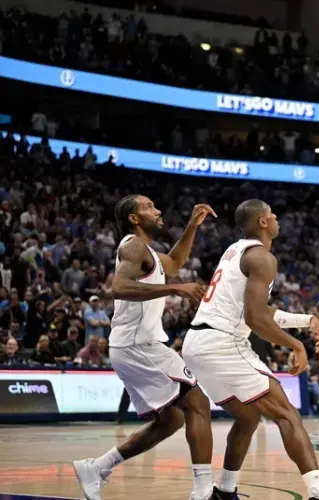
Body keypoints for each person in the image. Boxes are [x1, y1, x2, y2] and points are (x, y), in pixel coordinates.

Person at [182, 199, 319, 500]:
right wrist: (296, 345)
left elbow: (256, 310)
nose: (277, 217)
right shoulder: (262, 258)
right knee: (287, 415)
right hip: (222, 343)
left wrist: (305, 320)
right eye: (272, 214)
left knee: (248, 417)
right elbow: (254, 319)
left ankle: (225, 491)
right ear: (263, 223)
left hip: (197, 344)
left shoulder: (236, 251)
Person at [72, 195, 215, 500]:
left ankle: (97, 467)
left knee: (173, 419)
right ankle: (203, 492)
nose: (158, 209)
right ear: (134, 218)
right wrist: (175, 288)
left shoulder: (147, 251)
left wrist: (192, 226)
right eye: (149, 207)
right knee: (198, 404)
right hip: (139, 345)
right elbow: (120, 287)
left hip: (134, 345)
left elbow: (175, 263)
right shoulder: (132, 245)